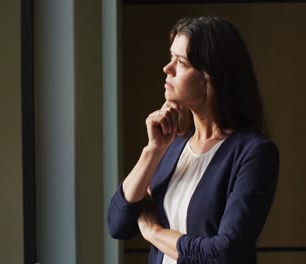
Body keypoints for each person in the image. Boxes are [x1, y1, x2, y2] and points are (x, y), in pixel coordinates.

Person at [107, 16, 279, 264]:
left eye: (181, 62)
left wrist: (153, 232)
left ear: (209, 78)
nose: (168, 68)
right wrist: (153, 150)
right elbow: (118, 224)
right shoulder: (172, 144)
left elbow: (224, 254)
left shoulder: (254, 153)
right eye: (170, 58)